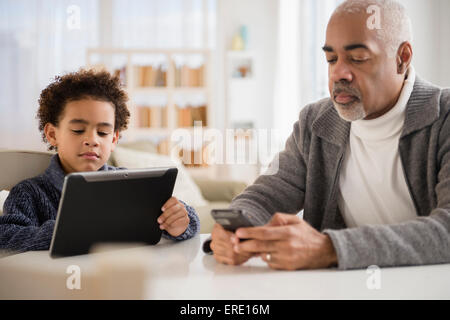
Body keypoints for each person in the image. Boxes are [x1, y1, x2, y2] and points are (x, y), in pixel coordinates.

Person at [209, 0, 450, 270]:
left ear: (402, 58)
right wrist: (236, 227)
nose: (338, 73)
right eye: (331, 59)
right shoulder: (315, 122)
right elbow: (264, 197)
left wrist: (330, 248)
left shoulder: (444, 118)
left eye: (357, 58)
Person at [0, 69, 200, 255]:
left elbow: (189, 221)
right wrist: (66, 230)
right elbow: (6, 236)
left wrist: (180, 223)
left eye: (103, 133)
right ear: (53, 134)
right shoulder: (29, 192)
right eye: (78, 130)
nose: (93, 140)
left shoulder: (128, 185)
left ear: (113, 139)